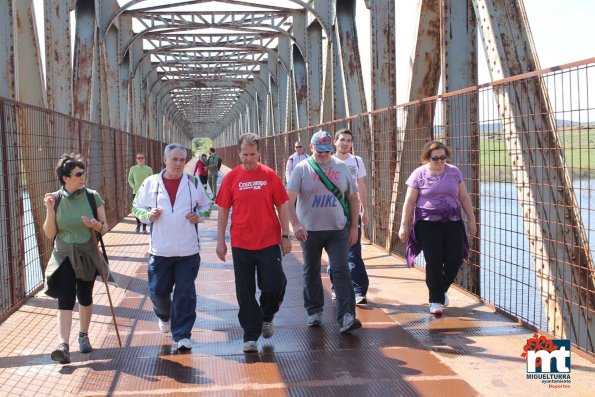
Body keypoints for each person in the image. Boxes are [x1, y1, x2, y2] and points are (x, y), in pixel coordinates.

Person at [215, 133, 291, 353]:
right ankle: (250, 335)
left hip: (268, 241)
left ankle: (267, 317)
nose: (248, 158)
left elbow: (282, 205)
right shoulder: (232, 178)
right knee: (245, 291)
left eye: (252, 154)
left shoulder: (269, 175)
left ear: (259, 153)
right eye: (244, 154)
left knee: (275, 285)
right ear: (238, 153)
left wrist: (285, 235)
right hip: (241, 242)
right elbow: (223, 210)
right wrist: (221, 240)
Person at [132, 143, 211, 350]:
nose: (178, 163)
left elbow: (207, 205)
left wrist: (199, 216)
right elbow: (136, 207)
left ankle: (182, 335)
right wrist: (148, 216)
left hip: (188, 250)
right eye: (174, 159)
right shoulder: (151, 183)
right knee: (158, 291)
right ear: (164, 160)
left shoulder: (193, 182)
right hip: (160, 250)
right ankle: (164, 316)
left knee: (185, 293)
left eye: (182, 160)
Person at [286, 130, 363, 334]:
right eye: (319, 151)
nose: (323, 155)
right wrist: (295, 224)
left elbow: (353, 198)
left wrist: (354, 226)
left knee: (341, 270)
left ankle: (347, 316)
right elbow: (288, 199)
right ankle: (314, 311)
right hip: (310, 231)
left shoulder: (341, 167)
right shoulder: (302, 169)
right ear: (311, 148)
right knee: (311, 270)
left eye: (326, 151)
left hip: (338, 229)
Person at [43, 153, 111, 364]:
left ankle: (83, 334)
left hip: (87, 253)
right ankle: (63, 345)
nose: (83, 177)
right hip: (63, 254)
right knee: (65, 298)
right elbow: (49, 233)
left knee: (85, 296)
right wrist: (49, 209)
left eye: (83, 173)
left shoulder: (92, 196)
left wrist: (94, 225)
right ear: (65, 178)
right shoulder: (56, 198)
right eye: (78, 174)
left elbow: (105, 227)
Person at [398, 141, 477, 315]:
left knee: (456, 257)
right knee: (433, 261)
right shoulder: (419, 174)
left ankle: (440, 289)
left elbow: (464, 197)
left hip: (453, 221)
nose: (440, 161)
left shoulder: (454, 172)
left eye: (443, 157)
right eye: (435, 158)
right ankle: (435, 300)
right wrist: (403, 225)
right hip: (427, 223)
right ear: (427, 158)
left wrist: (472, 220)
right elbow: (410, 201)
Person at [328, 129, 370, 304]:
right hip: (332, 212)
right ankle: (337, 287)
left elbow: (361, 186)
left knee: (354, 252)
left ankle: (359, 290)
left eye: (349, 140)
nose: (345, 143)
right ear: (335, 142)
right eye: (342, 140)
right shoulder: (328, 161)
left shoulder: (357, 161)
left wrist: (365, 210)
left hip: (352, 212)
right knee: (334, 254)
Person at [128, 153, 153, 233]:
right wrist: (133, 186)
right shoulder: (133, 169)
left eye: (142, 158)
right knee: (136, 208)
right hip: (136, 192)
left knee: (145, 209)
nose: (140, 159)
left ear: (144, 159)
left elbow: (151, 180)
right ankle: (138, 225)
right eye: (138, 158)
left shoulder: (148, 169)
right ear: (136, 159)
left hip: (146, 193)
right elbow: (130, 179)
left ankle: (144, 227)